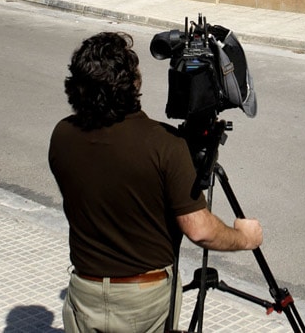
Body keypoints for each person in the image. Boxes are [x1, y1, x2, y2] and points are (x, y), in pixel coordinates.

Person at [49, 31, 263, 333]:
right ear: (133, 84)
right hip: (143, 301)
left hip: (85, 291)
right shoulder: (165, 145)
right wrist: (245, 238)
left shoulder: (61, 136)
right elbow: (200, 230)